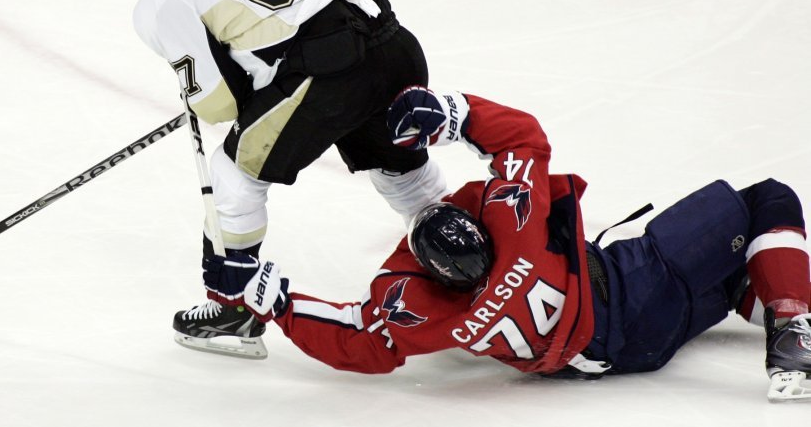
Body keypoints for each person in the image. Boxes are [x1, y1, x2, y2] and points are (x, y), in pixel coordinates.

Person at [203, 86, 811, 401]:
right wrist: (452, 112)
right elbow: (523, 139)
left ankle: (779, 303)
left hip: (618, 356)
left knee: (740, 272)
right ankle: (790, 331)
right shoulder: (512, 230)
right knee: (766, 204)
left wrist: (272, 300)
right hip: (634, 284)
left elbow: (359, 339)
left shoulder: (434, 316)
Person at [93, 0, 447, 358]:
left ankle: (233, 309)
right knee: (400, 169)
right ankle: (466, 262)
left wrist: (242, 88)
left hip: (332, 73)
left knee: (233, 171)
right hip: (391, 38)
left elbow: (218, 105)